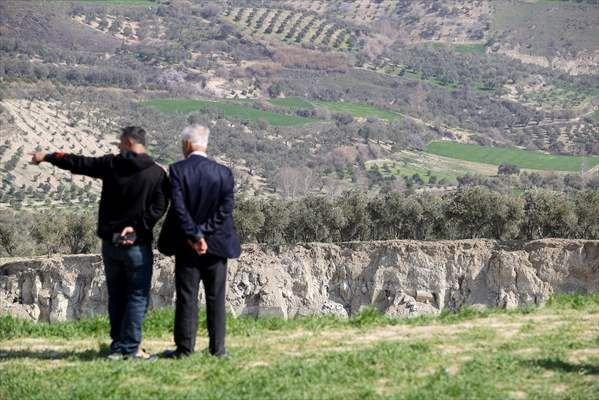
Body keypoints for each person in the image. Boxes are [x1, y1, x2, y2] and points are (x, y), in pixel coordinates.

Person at [30, 126, 169, 361]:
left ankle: (117, 347)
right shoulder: (156, 174)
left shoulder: (111, 165)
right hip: (137, 246)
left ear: (127, 142)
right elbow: (159, 208)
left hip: (111, 246)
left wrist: (47, 157)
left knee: (116, 295)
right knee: (136, 297)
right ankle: (132, 348)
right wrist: (137, 227)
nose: (117, 146)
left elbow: (78, 162)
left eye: (120, 142)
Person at [158, 124, 241, 358]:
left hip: (186, 245)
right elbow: (225, 210)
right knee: (216, 298)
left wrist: (195, 235)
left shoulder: (177, 171)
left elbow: (179, 209)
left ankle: (185, 350)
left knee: (187, 297)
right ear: (206, 144)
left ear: (186, 144)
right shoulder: (224, 173)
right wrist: (205, 233)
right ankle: (218, 350)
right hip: (217, 246)